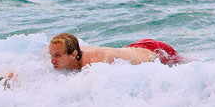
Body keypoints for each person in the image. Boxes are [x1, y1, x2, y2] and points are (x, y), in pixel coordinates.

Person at [48, 32, 181, 70]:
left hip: (156, 51)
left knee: (187, 65)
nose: (52, 60)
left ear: (73, 54)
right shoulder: (71, 51)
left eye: (57, 56)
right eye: (52, 55)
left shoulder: (93, 64)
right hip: (134, 48)